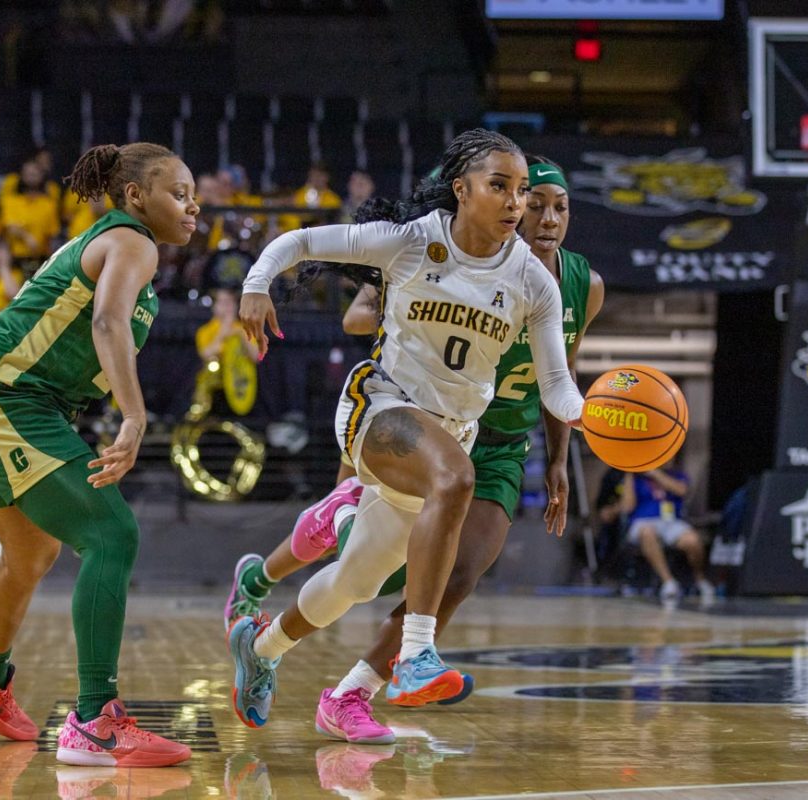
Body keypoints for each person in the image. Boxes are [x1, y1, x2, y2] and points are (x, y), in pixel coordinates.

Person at [223, 158, 603, 741]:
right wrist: (254, 285)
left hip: (457, 432)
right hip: (381, 406)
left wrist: (594, 418)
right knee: (454, 478)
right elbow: (299, 240)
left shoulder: (537, 282)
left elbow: (557, 384)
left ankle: (262, 646)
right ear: (462, 189)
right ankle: (416, 655)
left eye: (523, 192)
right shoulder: (412, 241)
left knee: (354, 585)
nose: (518, 204)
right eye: (501, 188)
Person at [0, 142, 199, 768]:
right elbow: (107, 324)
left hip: (16, 400)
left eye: (194, 197)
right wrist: (135, 417)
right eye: (179, 194)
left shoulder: (120, 243)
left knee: (31, 554)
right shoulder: (134, 241)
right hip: (5, 397)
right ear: (136, 196)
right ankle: (95, 722)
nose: (193, 209)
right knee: (111, 532)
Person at [622, 459, 715, 606]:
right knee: (647, 533)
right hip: (643, 521)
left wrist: (655, 473)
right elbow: (627, 507)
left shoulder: (677, 475)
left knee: (693, 541)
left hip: (671, 522)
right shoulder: (635, 478)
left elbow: (682, 490)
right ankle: (669, 582)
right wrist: (629, 472)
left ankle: (700, 578)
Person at [1, 158, 61, 264]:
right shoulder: (11, 201)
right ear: (22, 176)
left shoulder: (49, 204)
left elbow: (52, 234)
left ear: (41, 176)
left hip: (42, 258)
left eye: (34, 173)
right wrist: (26, 236)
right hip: (16, 259)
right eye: (28, 173)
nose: (31, 176)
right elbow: (10, 227)